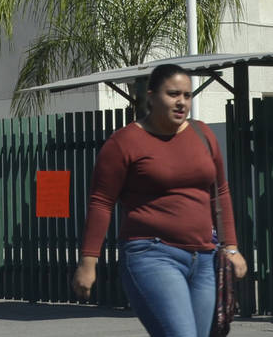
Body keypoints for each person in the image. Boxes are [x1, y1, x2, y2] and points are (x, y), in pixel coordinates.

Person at [72, 63, 248, 337]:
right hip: (152, 255)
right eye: (173, 94)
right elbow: (102, 202)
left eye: (187, 95)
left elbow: (220, 192)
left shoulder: (203, 135)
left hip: (205, 257)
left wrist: (232, 247)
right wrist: (88, 261)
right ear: (152, 97)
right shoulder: (125, 142)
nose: (182, 102)